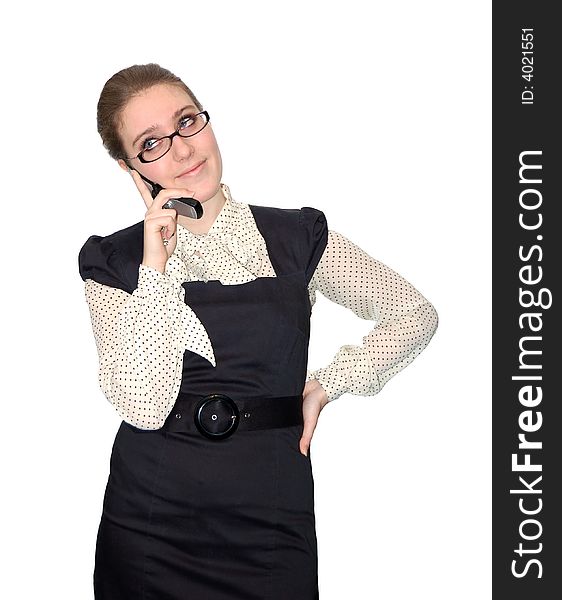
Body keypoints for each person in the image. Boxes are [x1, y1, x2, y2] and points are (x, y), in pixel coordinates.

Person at [78, 63, 438, 599]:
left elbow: (413, 314)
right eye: (151, 144)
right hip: (152, 524)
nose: (181, 150)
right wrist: (156, 265)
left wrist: (326, 385)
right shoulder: (114, 261)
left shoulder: (296, 237)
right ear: (129, 166)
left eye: (186, 122)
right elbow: (145, 406)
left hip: (271, 514)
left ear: (206, 120)